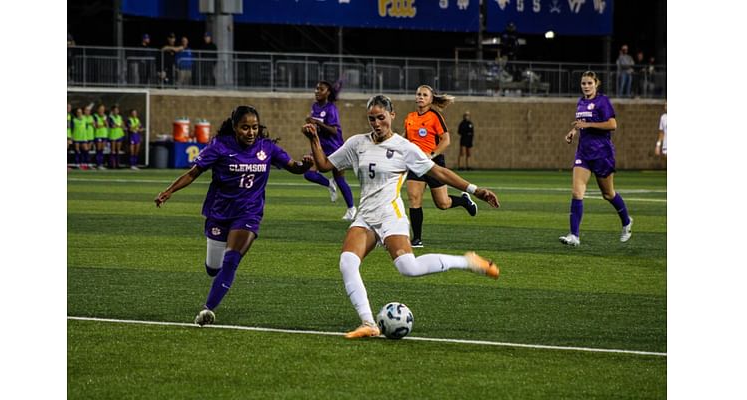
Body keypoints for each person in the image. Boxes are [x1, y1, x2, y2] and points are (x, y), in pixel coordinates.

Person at [301, 94, 500, 339]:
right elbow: (324, 165)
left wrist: (475, 190)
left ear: (392, 115)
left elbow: (439, 172)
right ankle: (369, 323)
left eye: (381, 118)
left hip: (390, 216)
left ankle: (468, 261)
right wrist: (314, 140)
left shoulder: (404, 148)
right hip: (365, 217)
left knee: (409, 267)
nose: (376, 123)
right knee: (347, 263)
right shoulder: (357, 143)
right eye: (372, 119)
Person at [155, 105, 313, 326]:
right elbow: (194, 173)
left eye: (254, 128)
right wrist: (169, 191)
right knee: (213, 268)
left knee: (231, 261)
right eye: (245, 128)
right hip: (220, 213)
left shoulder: (267, 148)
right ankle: (216, 278)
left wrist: (303, 166)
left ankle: (207, 309)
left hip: (249, 213)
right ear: (235, 128)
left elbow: (293, 167)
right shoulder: (219, 147)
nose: (250, 133)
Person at [560, 71, 633, 246]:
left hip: (602, 154)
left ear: (596, 84)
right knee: (577, 192)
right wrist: (573, 131)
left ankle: (626, 221)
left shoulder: (603, 101)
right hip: (583, 154)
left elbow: (612, 124)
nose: (586, 86)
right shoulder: (581, 102)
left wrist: (588, 124)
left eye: (589, 83)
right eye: (583, 83)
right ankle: (574, 235)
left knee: (608, 194)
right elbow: (581, 123)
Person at [404, 85, 477, 248]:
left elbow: (446, 140)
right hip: (415, 164)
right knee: (414, 199)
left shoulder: (435, 117)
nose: (420, 97)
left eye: (424, 95)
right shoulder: (410, 117)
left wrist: (431, 154)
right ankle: (417, 239)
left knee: (443, 204)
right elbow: (407, 140)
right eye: (418, 94)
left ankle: (464, 201)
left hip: (434, 163)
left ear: (431, 99)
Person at [303, 80, 357, 220]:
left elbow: (334, 130)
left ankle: (351, 209)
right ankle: (328, 183)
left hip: (335, 148)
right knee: (308, 174)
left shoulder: (331, 108)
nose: (317, 91)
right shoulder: (315, 106)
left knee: (340, 179)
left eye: (320, 89)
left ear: (328, 93)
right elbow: (317, 126)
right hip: (321, 147)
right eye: (316, 89)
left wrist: (317, 123)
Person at [93, 104, 109, 169]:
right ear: (98, 109)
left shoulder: (105, 116)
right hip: (98, 134)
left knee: (102, 150)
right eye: (100, 109)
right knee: (98, 149)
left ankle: (101, 164)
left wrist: (104, 122)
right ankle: (98, 164)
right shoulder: (95, 116)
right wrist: (103, 124)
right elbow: (96, 126)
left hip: (104, 134)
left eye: (103, 109)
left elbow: (107, 125)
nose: (102, 110)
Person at [67, 103, 73, 169]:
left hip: (68, 135)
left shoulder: (70, 115)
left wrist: (70, 136)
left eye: (69, 107)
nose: (69, 109)